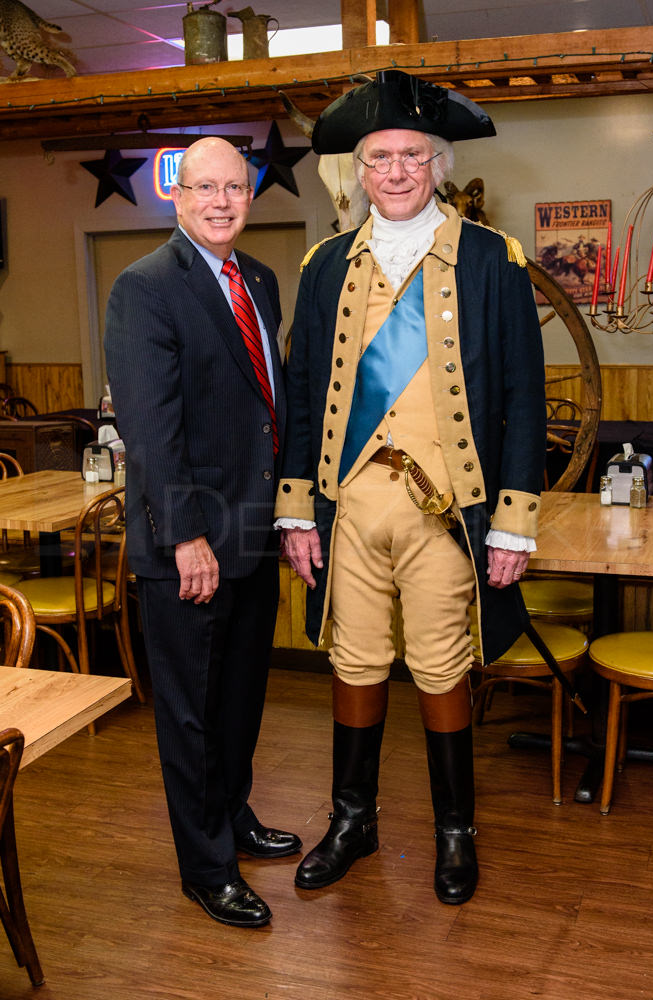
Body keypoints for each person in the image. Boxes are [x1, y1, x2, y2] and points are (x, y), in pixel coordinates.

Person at [275, 71, 546, 906]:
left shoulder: (491, 258)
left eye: (411, 156)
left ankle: (455, 830)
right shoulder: (326, 265)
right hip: (349, 507)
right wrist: (295, 509)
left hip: (447, 510)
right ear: (360, 171)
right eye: (379, 157)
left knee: (440, 668)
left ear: (437, 164)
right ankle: (353, 822)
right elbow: (302, 384)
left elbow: (523, 396)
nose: (394, 171)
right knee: (352, 662)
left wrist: (513, 523)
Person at [104, 136, 301, 929]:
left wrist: (284, 515)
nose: (222, 202)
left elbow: (265, 411)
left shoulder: (258, 279)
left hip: (251, 533)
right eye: (204, 189)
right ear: (176, 197)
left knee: (241, 699)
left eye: (235, 189)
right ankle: (206, 866)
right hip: (187, 544)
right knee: (189, 715)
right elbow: (152, 431)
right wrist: (186, 537)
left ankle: (234, 814)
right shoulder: (143, 287)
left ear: (249, 197)